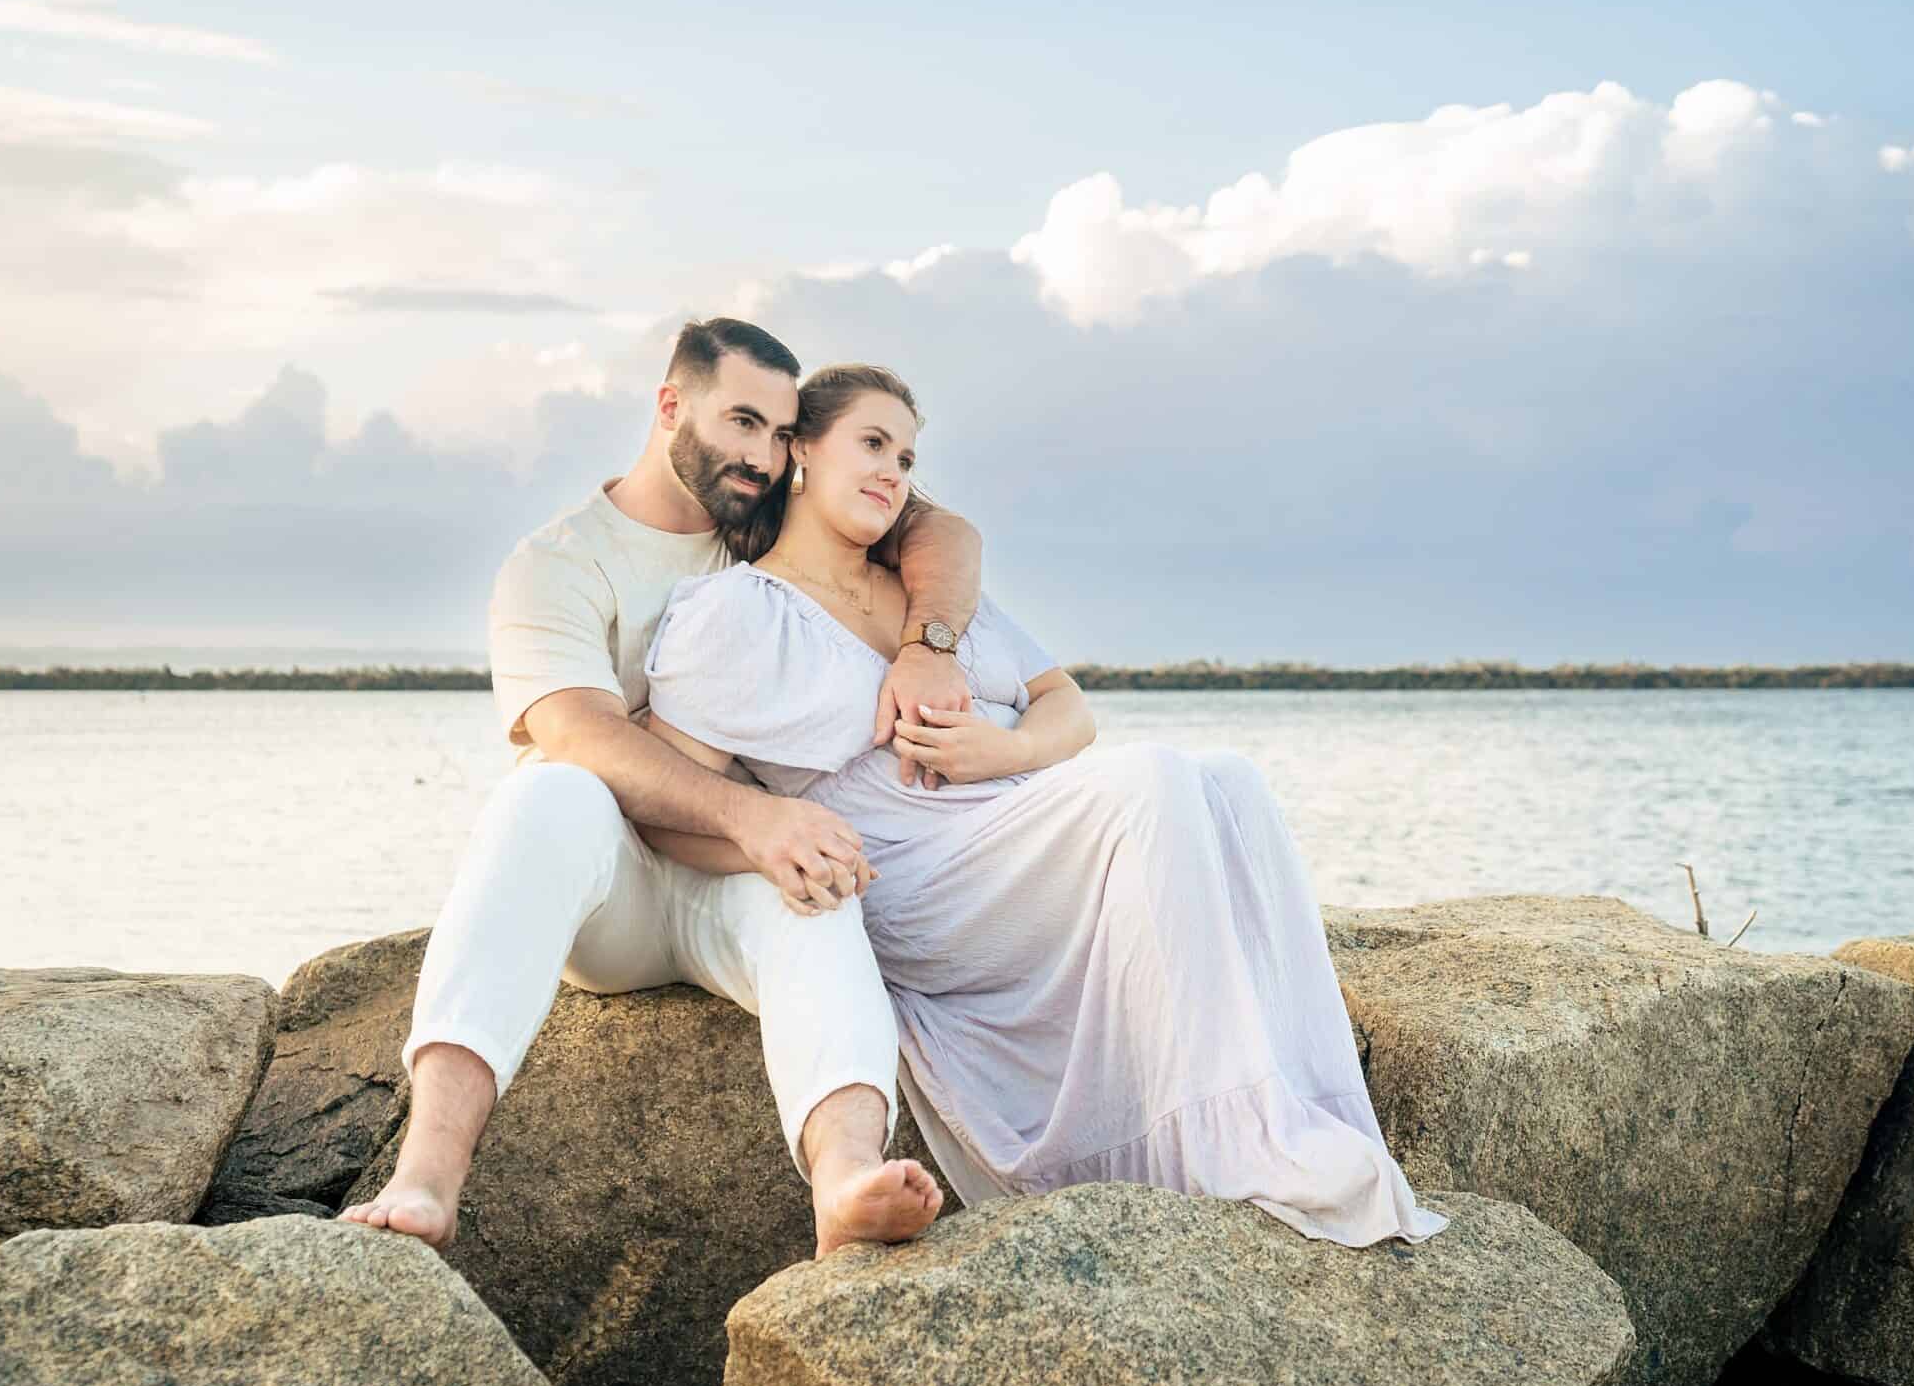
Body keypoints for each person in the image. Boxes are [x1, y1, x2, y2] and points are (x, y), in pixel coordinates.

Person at [639, 364, 1450, 1248]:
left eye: (907, 457)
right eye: (871, 444)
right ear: (799, 452)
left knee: (1230, 779)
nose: (893, 472)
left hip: (1021, 828)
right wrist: (768, 841)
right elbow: (671, 804)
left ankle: (1287, 1106)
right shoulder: (735, 616)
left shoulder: (931, 593)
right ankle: (1217, 1142)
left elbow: (1066, 702)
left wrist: (1007, 748)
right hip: (920, 879)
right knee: (1153, 781)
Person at [340, 318, 1001, 1257]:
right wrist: (756, 814)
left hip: (727, 876)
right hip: (616, 893)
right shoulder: (557, 563)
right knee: (551, 792)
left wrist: (924, 645)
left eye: (779, 433)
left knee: (817, 891)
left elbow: (944, 529)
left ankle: (848, 1178)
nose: (762, 456)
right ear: (668, 406)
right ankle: (428, 1175)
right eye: (741, 422)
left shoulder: (769, 524)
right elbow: (576, 729)